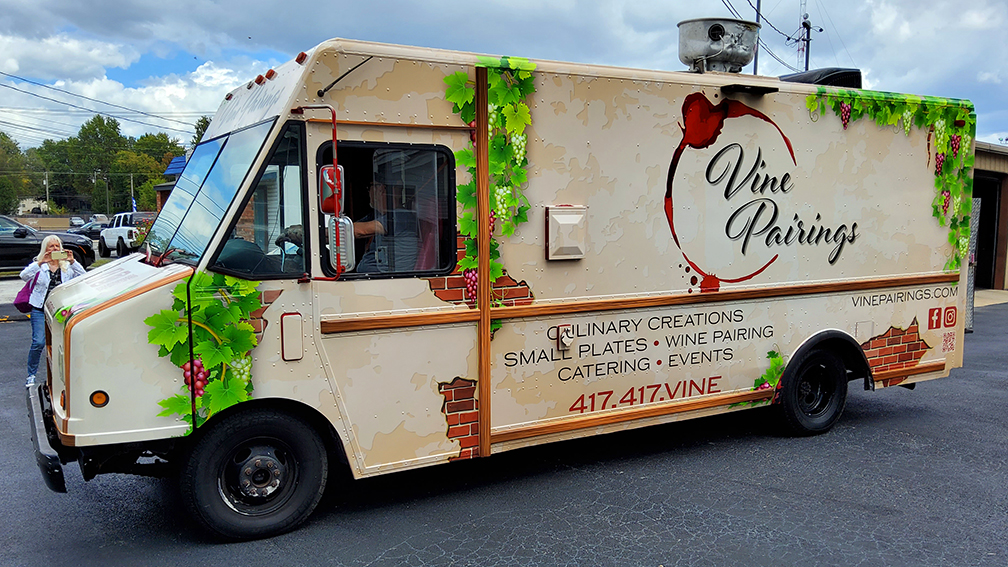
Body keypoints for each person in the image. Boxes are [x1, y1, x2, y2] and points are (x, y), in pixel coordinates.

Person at [21, 235, 86, 386]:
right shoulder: (39, 265)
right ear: (45, 248)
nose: (54, 249)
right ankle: (31, 375)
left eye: (57, 246)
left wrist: (72, 261)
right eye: (51, 246)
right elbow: (23, 276)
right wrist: (40, 262)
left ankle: (61, 376)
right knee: (38, 342)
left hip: (60, 311)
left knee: (62, 343)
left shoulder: (67, 266)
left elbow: (84, 277)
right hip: (40, 308)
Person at [354, 181, 419, 272]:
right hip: (371, 276)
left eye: (369, 187)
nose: (368, 192)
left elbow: (359, 231)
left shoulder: (401, 216)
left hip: (385, 277)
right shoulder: (378, 215)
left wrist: (337, 228)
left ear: (381, 189)